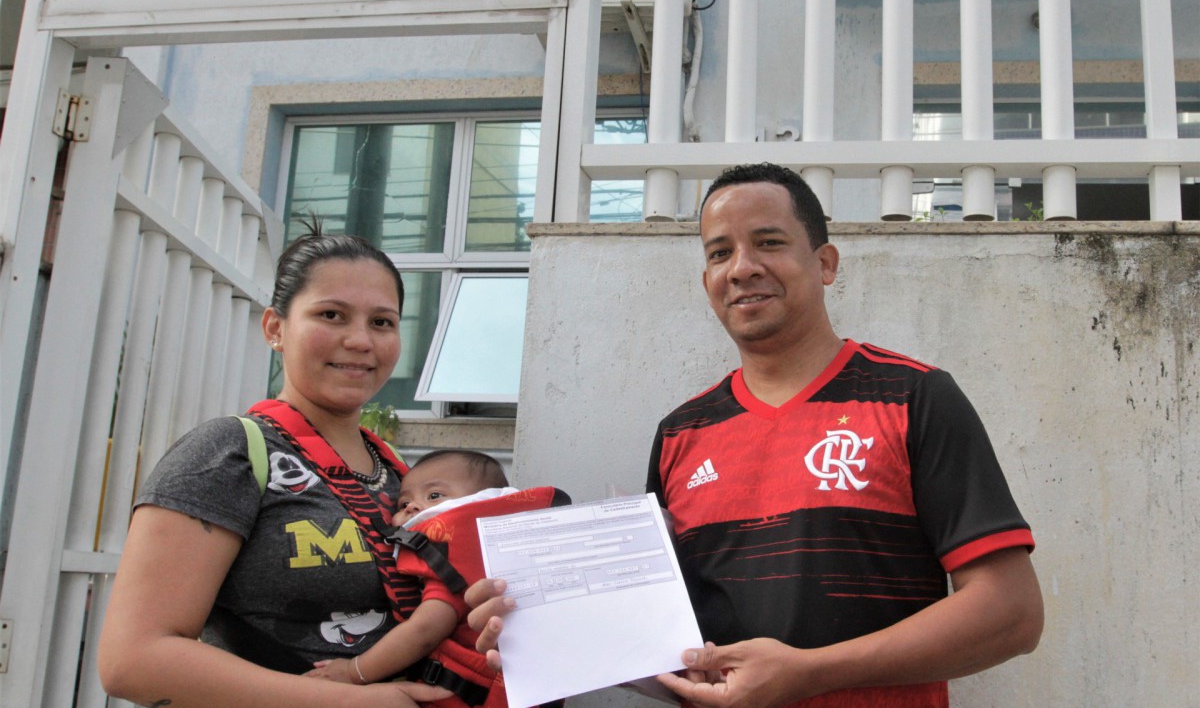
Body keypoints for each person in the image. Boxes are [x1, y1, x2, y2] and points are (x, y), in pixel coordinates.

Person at [467, 163, 1044, 708]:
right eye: (720, 252)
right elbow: (673, 647)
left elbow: (1011, 615)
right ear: (707, 279)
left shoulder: (913, 397)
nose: (741, 267)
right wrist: (540, 635)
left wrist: (810, 673)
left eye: (768, 242)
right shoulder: (681, 434)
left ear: (825, 263)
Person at [98, 231, 451, 708]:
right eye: (331, 315)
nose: (361, 340)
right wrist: (347, 702)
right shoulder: (227, 453)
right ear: (275, 329)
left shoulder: (401, 476)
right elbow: (133, 661)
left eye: (382, 322)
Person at [305, 449, 511, 686]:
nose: (412, 506)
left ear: (483, 501)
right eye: (403, 503)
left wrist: (354, 671)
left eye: (434, 495)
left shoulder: (454, 555)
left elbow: (424, 630)